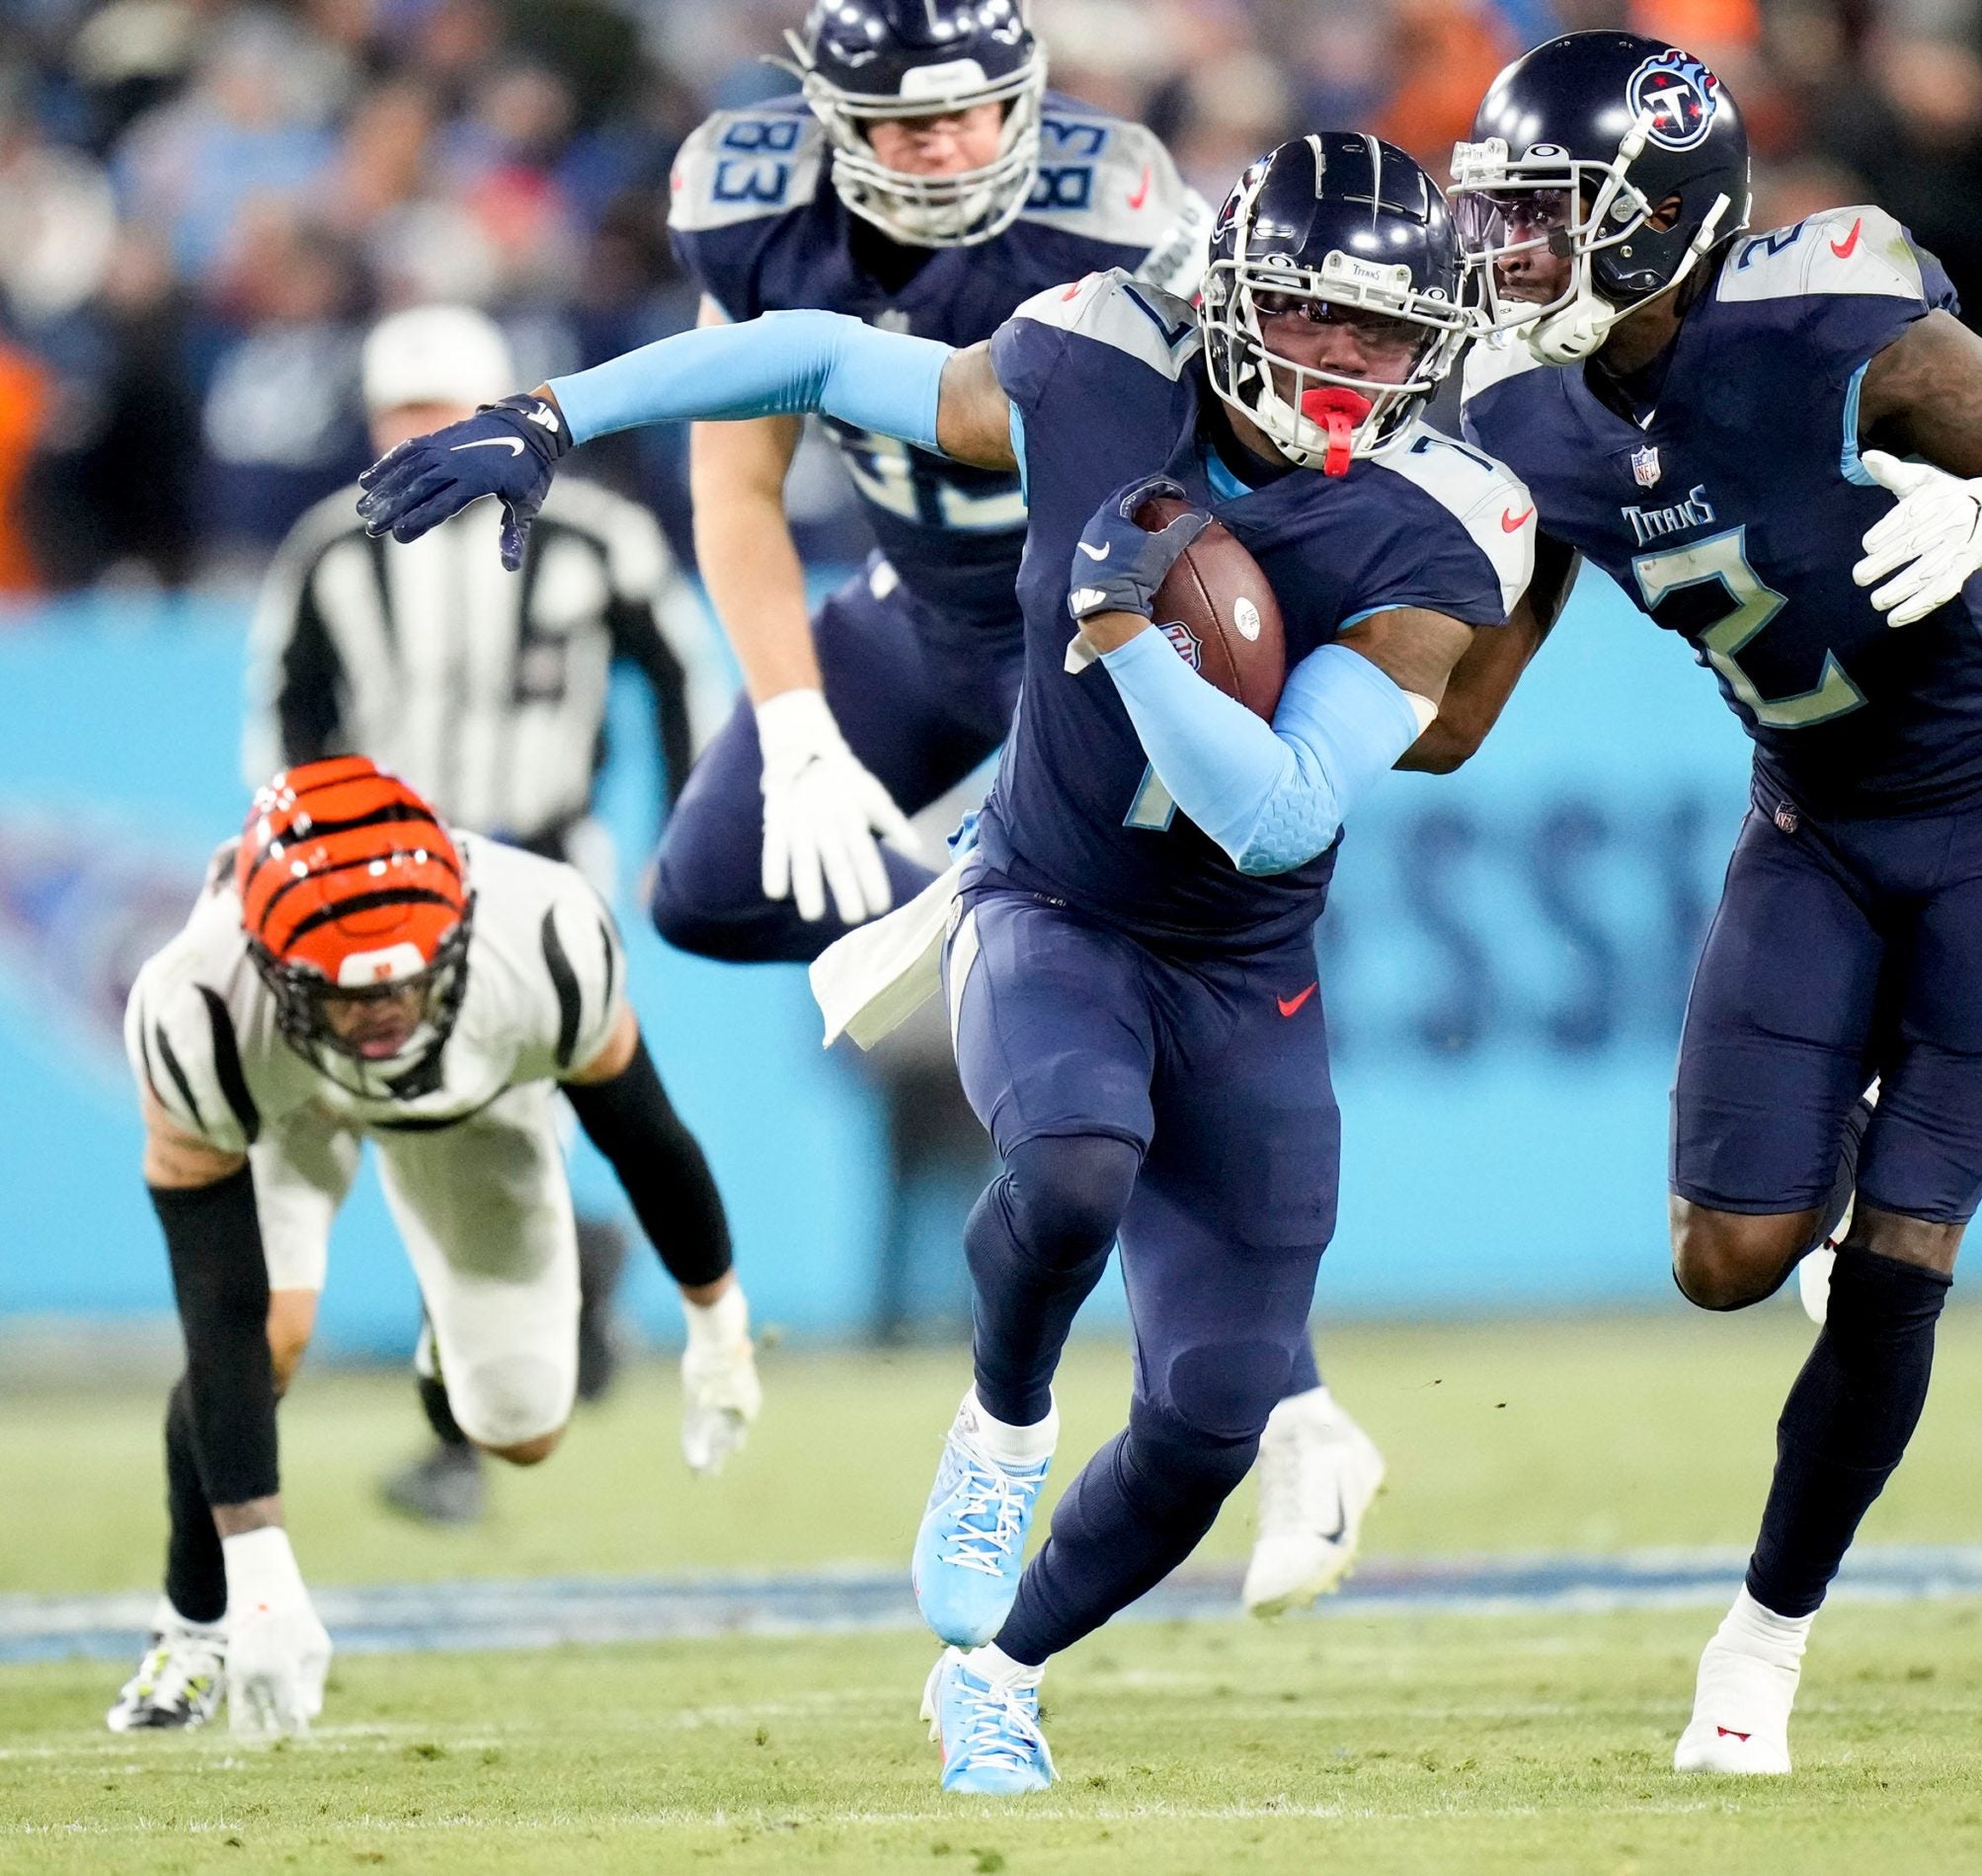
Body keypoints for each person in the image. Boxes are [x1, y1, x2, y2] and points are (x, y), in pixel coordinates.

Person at [356, 128, 1536, 1794]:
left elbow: (1277, 818)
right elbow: (820, 357)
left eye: (1385, 329)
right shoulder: (1096, 360)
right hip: (1049, 901)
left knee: (1210, 1419)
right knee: (1073, 1163)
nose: (1346, 359)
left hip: (1243, 967)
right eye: (1311, 314)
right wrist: (557, 413)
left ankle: (999, 1672)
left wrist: (1129, 642)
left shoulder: (1448, 518)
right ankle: (1002, 1422)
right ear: (1231, 296)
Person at [1440, 34, 1982, 1773]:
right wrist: (1213, 706)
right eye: (1501, 216)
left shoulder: (1833, 327)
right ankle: (1844, 1152)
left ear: (1657, 219)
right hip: (1818, 817)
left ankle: (1759, 1652)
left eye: (1546, 215)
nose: (1508, 252)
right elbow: (1454, 716)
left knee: (1901, 1253)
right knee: (1724, 1259)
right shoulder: (1520, 406)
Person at [654, 0, 1379, 1614]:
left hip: (1107, 621)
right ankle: (984, 913)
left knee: (1130, 1023)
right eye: (907, 124)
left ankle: (1293, 1400)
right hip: (920, 612)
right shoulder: (754, 206)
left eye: (978, 112)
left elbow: (1246, 435)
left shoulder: (1113, 206)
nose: (950, 149)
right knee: (705, 884)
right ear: (832, 123)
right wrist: (796, 723)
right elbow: (736, 485)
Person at [107, 758, 759, 1734]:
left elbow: (646, 1139)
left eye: (410, 978)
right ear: (272, 967)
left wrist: (719, 1328)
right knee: (271, 1335)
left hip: (472, 1107)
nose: (385, 1010)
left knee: (521, 1424)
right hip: (286, 1108)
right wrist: (260, 1573)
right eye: (346, 990)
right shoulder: (196, 1007)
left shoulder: (544, 935)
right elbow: (223, 1311)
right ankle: (189, 1631)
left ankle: (447, 1353)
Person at [244, 302, 728, 1524]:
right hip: (389, 881)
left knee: (484, 1120)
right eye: (399, 411)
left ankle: (476, 1409)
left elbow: (682, 672)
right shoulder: (331, 548)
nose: (419, 431)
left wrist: (692, 824)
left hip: (545, 859)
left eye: (440, 406)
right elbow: (286, 712)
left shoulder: (596, 533)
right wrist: (303, 855)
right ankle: (545, 1316)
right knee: (450, 1124)